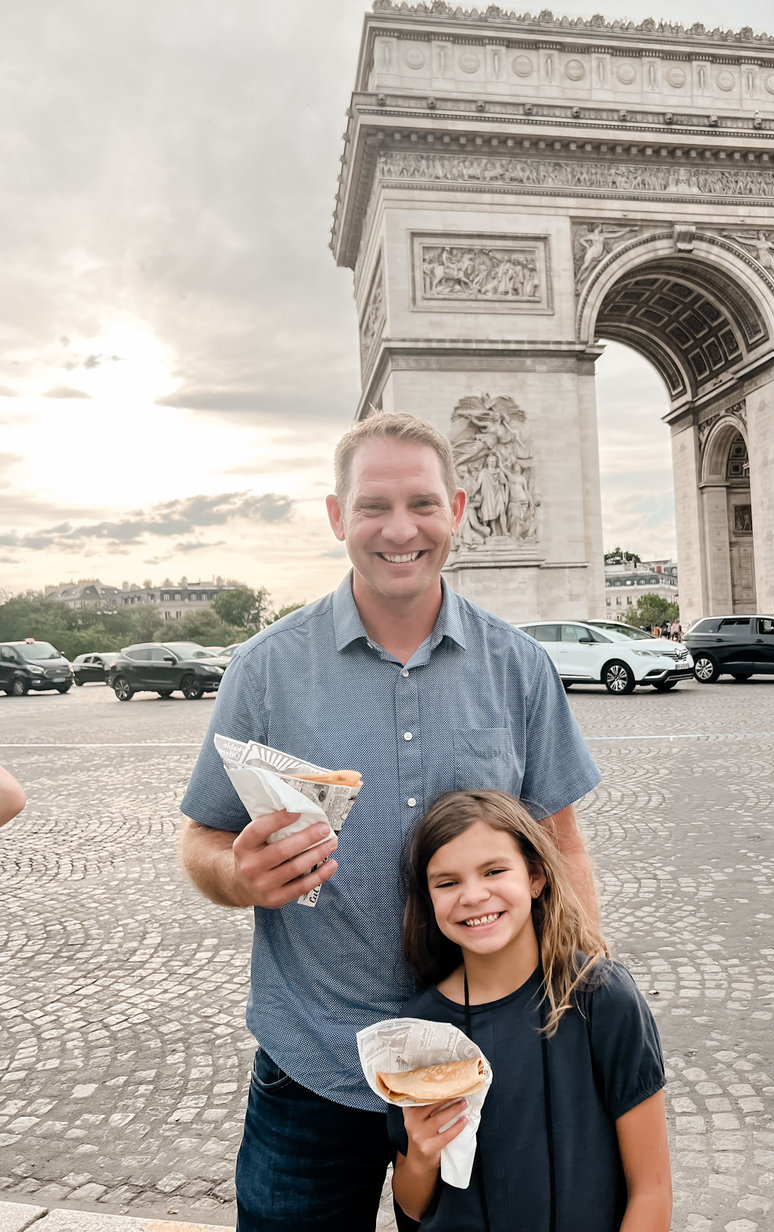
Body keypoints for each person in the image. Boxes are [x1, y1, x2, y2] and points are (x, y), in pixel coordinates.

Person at [178, 412, 602, 1231]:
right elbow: (202, 837)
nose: (400, 529)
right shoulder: (264, 670)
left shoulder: (520, 666)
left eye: (421, 503)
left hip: (476, 1061)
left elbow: (564, 845)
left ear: (460, 508)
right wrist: (239, 874)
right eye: (373, 506)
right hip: (311, 1067)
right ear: (337, 517)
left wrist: (578, 1004)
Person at [389, 789, 671, 1231]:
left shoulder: (600, 998)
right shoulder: (420, 1030)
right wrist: (422, 1156)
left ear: (536, 877)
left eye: (494, 871)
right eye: (447, 882)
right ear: (428, 899)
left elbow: (651, 1190)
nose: (474, 895)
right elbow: (411, 1205)